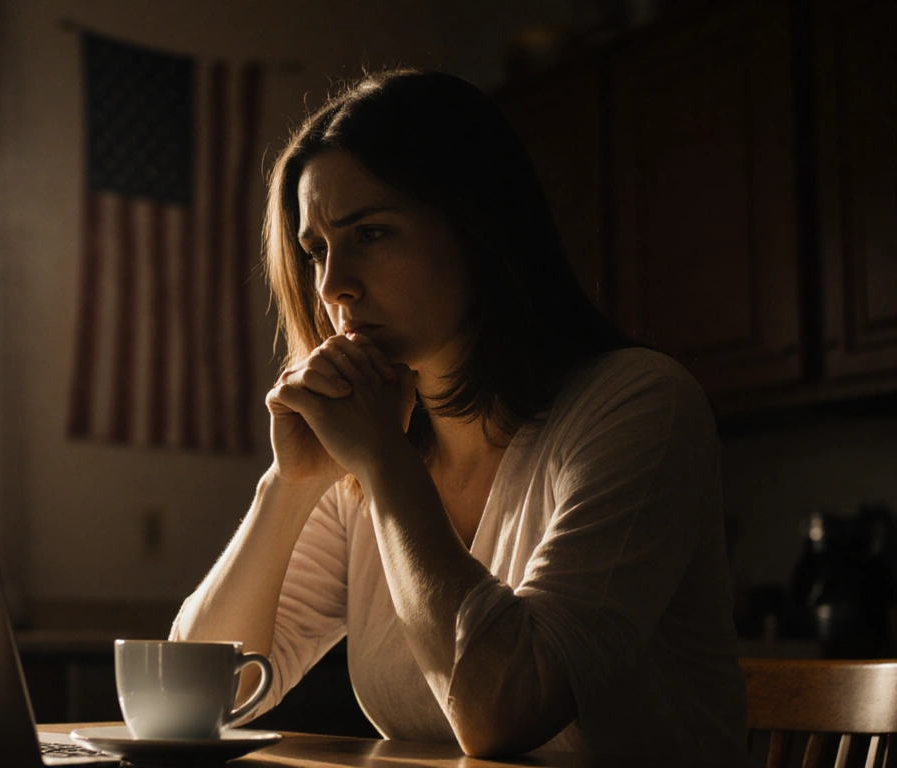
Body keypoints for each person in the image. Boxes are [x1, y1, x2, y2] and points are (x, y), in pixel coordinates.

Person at [169, 69, 747, 762]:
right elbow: (190, 702)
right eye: (316, 249)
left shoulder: (638, 403)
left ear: (479, 229)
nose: (331, 285)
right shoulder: (366, 455)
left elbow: (505, 713)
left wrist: (384, 463)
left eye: (372, 233)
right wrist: (286, 485)